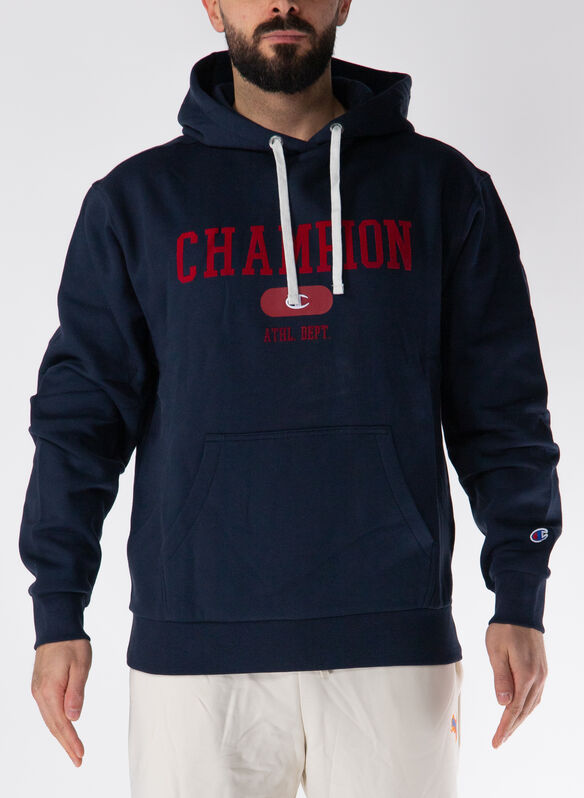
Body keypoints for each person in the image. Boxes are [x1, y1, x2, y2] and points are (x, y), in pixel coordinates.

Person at [19, 1, 562, 795]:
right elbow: (80, 422)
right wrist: (58, 609)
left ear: (342, 2)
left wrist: (520, 590)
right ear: (213, 5)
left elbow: (504, 408)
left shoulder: (443, 190)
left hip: (393, 645)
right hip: (195, 657)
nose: (281, 3)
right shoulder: (136, 204)